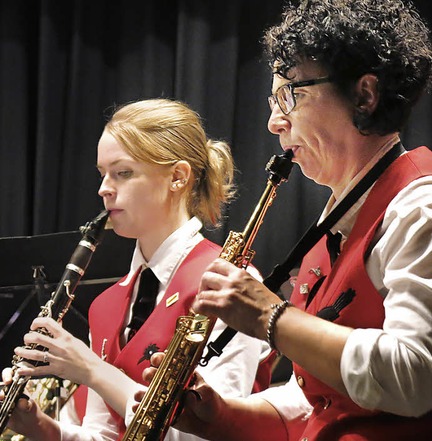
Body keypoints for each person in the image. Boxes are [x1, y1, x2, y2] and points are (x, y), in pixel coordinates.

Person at [139, 1, 432, 440]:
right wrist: (222, 416)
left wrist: (270, 315)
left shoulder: (431, 204)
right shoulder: (338, 217)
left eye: (290, 95)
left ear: (364, 94)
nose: (273, 122)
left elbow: (416, 377)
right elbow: (315, 399)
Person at [0, 98, 267, 440]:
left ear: (177, 177)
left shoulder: (228, 283)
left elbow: (208, 434)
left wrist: (91, 370)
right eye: (102, 174)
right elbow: (106, 435)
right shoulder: (106, 305)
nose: (103, 189)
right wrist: (44, 428)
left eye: (123, 173)